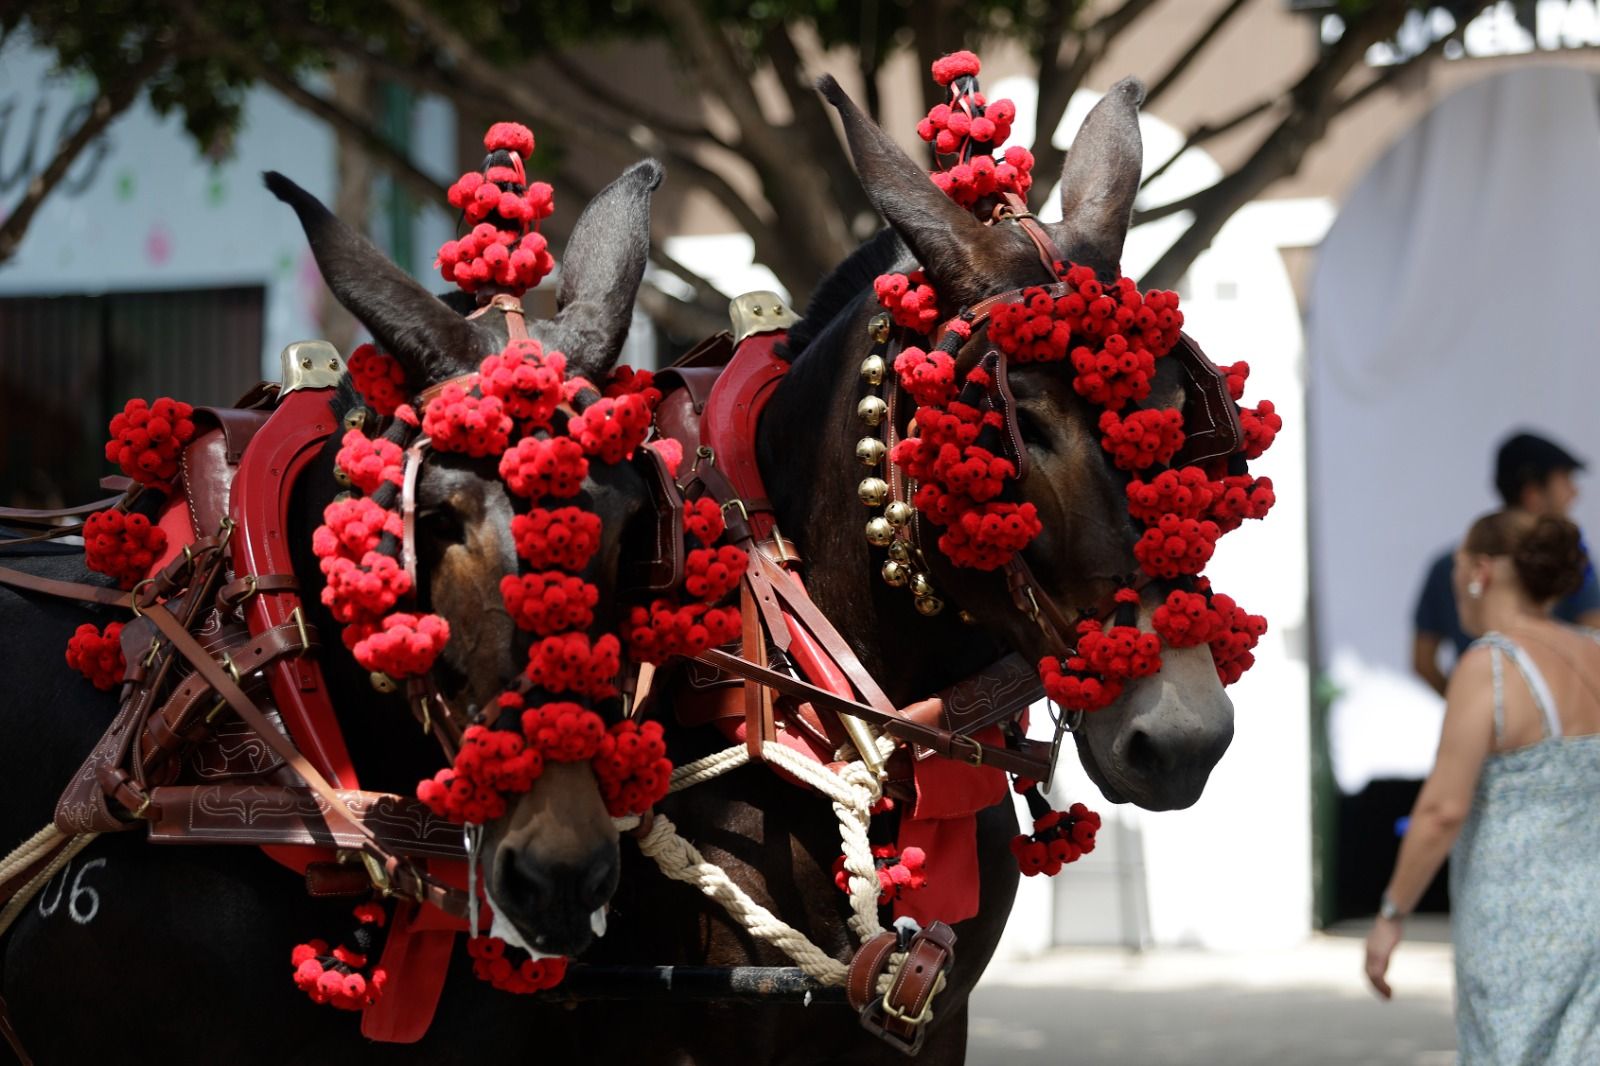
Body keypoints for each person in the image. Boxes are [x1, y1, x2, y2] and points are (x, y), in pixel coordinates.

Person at [1366, 510, 1600, 1062]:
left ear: (1481, 571)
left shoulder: (1490, 665)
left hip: (1515, 925)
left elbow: (1442, 810)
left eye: (1457, 564)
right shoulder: (1595, 652)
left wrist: (1391, 915)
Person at [1412, 431, 1600, 695]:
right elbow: (1594, 635)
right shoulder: (1571, 561)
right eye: (1565, 480)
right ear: (1533, 493)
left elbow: (1423, 660)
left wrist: (1466, 704)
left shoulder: (1450, 563)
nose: (1574, 492)